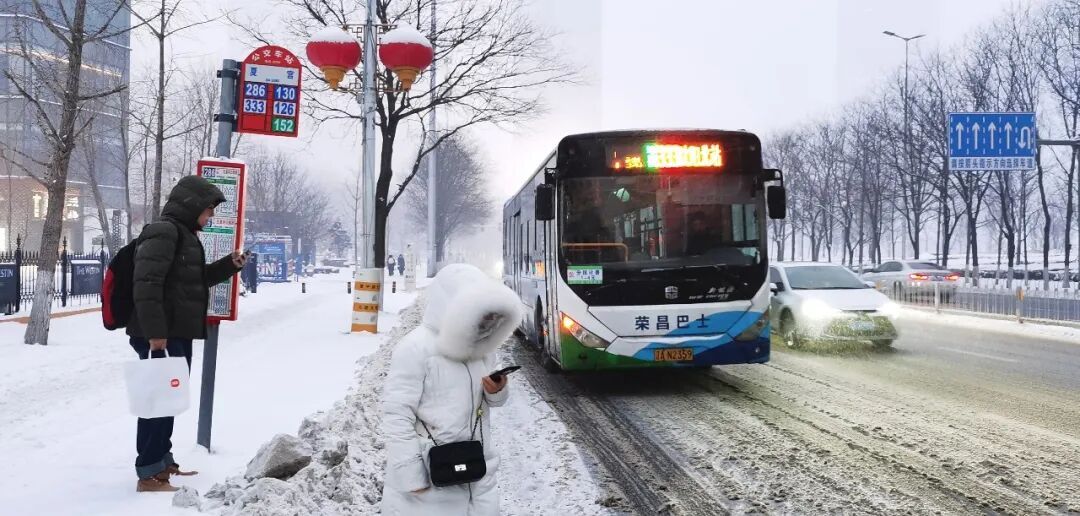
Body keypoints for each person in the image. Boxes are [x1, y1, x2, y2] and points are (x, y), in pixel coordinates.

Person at [127, 175, 249, 493]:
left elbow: (191, 282)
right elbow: (147, 284)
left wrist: (229, 265)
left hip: (175, 333)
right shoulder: (163, 232)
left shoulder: (184, 235)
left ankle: (162, 462)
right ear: (192, 205)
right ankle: (149, 474)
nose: (210, 216)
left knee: (169, 399)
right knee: (158, 402)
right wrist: (156, 334)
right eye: (208, 210)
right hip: (161, 336)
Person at [381, 264, 520, 516]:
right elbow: (396, 415)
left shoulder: (482, 349)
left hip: (477, 476)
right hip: (430, 484)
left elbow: (490, 403)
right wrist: (411, 476)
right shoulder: (415, 349)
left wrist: (497, 390)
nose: (486, 321)